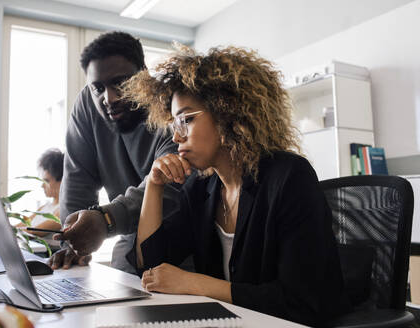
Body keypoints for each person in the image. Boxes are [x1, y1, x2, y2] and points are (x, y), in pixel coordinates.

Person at [121, 46, 351, 326]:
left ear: (228, 114)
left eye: (187, 120)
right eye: (174, 124)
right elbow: (152, 269)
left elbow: (303, 301)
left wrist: (198, 284)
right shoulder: (201, 188)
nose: (177, 137)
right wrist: (154, 186)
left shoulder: (290, 177)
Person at [48, 31, 179, 272]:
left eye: (121, 84)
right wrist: (73, 238)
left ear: (144, 73)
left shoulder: (174, 102)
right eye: (98, 88)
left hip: (184, 244)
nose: (110, 98)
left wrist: (106, 220)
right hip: (129, 243)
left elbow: (173, 184)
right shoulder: (88, 103)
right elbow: (78, 177)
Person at [16, 148, 63, 249]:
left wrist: (9, 231)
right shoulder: (43, 207)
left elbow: (36, 231)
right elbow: (21, 225)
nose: (42, 185)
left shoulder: (63, 210)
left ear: (62, 181)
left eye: (46, 181)